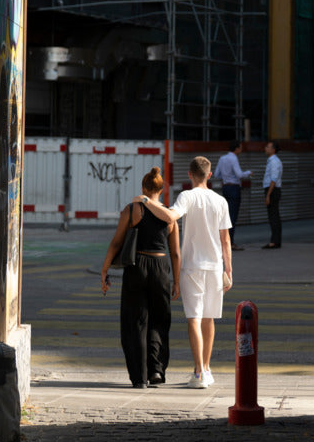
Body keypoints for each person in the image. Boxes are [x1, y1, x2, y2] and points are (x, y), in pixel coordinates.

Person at [136, 156, 232, 389]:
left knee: (194, 319)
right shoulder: (221, 201)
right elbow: (225, 239)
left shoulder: (187, 196)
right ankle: (206, 369)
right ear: (209, 175)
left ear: (189, 175)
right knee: (209, 318)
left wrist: (146, 201)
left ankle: (198, 372)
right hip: (214, 266)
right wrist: (228, 269)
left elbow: (170, 217)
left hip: (192, 267)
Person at [100, 167, 181, 388]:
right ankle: (156, 370)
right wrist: (177, 281)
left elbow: (117, 242)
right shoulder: (169, 215)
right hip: (161, 266)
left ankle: (139, 377)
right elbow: (175, 252)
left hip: (137, 265)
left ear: (143, 188)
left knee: (136, 321)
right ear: (161, 190)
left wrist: (105, 269)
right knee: (159, 320)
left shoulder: (133, 209)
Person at [214, 141, 251, 250]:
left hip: (225, 188)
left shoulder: (222, 158)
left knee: (225, 216)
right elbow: (239, 174)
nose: (241, 150)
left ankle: (223, 242)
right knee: (232, 216)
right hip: (234, 188)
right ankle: (230, 243)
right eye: (240, 148)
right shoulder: (233, 158)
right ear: (237, 149)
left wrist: (225, 178)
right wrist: (248, 173)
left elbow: (216, 174)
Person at [261, 141, 283, 248]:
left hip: (273, 190)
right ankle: (275, 240)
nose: (265, 148)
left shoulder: (274, 162)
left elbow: (273, 179)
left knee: (273, 216)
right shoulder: (271, 161)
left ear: (273, 150)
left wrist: (268, 195)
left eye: (267, 147)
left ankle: (275, 241)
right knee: (273, 215)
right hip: (272, 190)